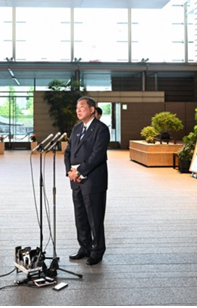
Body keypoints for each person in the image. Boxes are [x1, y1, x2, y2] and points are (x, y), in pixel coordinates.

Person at [64, 96, 110, 266]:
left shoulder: (101, 129)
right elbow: (68, 151)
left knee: (94, 217)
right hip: (76, 181)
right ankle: (84, 247)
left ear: (92, 110)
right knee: (80, 216)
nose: (78, 110)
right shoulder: (76, 128)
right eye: (77, 107)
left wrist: (80, 171)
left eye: (82, 107)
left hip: (93, 181)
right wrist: (70, 172)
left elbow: (97, 155)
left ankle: (97, 251)